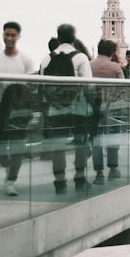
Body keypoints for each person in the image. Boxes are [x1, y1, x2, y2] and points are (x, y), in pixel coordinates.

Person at [39, 24, 93, 194]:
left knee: (58, 146)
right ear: (73, 37)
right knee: (80, 144)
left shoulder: (47, 59)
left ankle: (59, 182)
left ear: (59, 37)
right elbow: (89, 86)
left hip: (55, 110)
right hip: (78, 108)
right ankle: (79, 179)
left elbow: (42, 86)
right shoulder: (81, 57)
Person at [0, 21, 37, 196]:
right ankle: (8, 169)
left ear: (18, 37)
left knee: (18, 148)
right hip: (0, 109)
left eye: (13, 35)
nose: (9, 38)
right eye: (6, 34)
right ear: (3, 35)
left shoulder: (26, 60)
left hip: (19, 109)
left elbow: (31, 86)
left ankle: (10, 180)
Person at [89, 39, 124, 184]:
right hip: (112, 107)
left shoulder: (89, 66)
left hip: (93, 107)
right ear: (111, 52)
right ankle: (113, 168)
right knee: (113, 138)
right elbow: (123, 89)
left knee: (95, 139)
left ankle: (99, 172)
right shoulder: (115, 68)